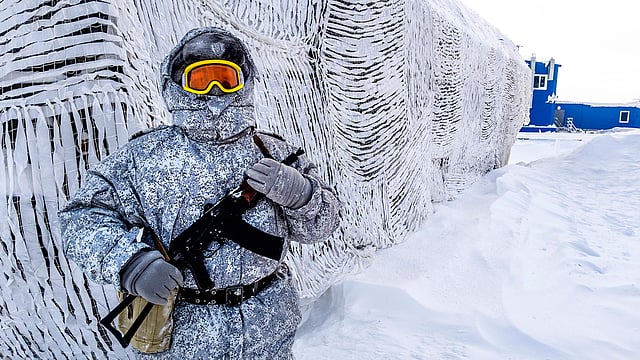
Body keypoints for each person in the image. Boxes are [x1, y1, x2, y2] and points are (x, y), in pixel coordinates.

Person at [59, 27, 341, 359]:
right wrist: (132, 264)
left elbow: (323, 227)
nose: (215, 91)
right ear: (178, 86)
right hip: (183, 341)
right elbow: (80, 218)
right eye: (201, 79)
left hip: (269, 333)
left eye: (225, 78)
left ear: (245, 83)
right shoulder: (143, 157)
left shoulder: (275, 152)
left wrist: (303, 195)